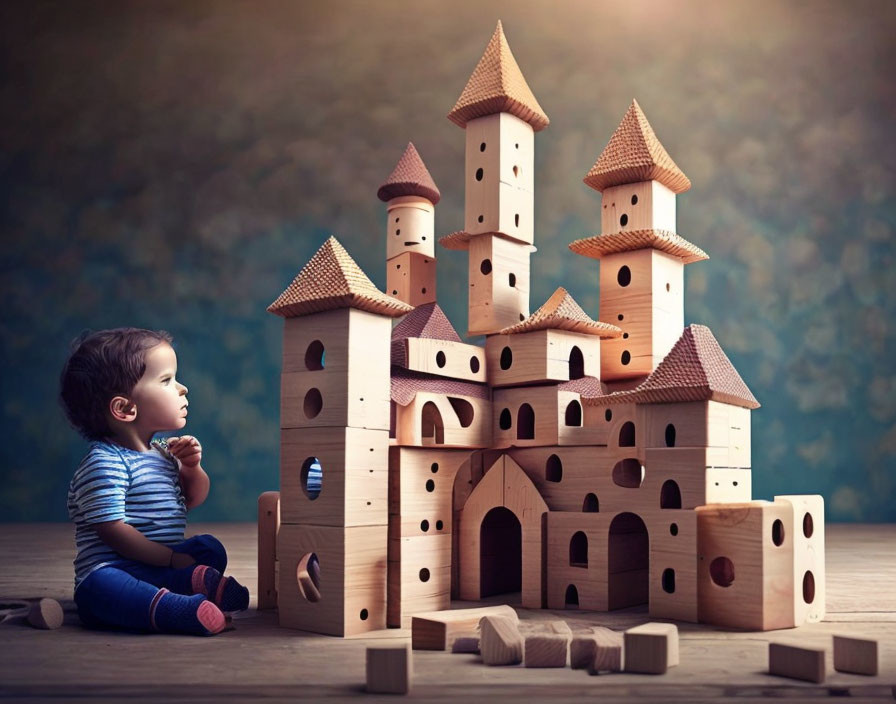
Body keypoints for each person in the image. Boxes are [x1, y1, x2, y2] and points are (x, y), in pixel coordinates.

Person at [60, 327, 249, 636]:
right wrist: (171, 559)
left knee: (209, 548)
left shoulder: (163, 452)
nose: (182, 388)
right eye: (166, 381)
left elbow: (191, 499)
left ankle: (182, 585)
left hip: (159, 564)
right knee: (99, 588)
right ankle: (175, 608)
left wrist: (191, 467)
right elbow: (114, 532)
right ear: (125, 409)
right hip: (115, 568)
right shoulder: (104, 462)